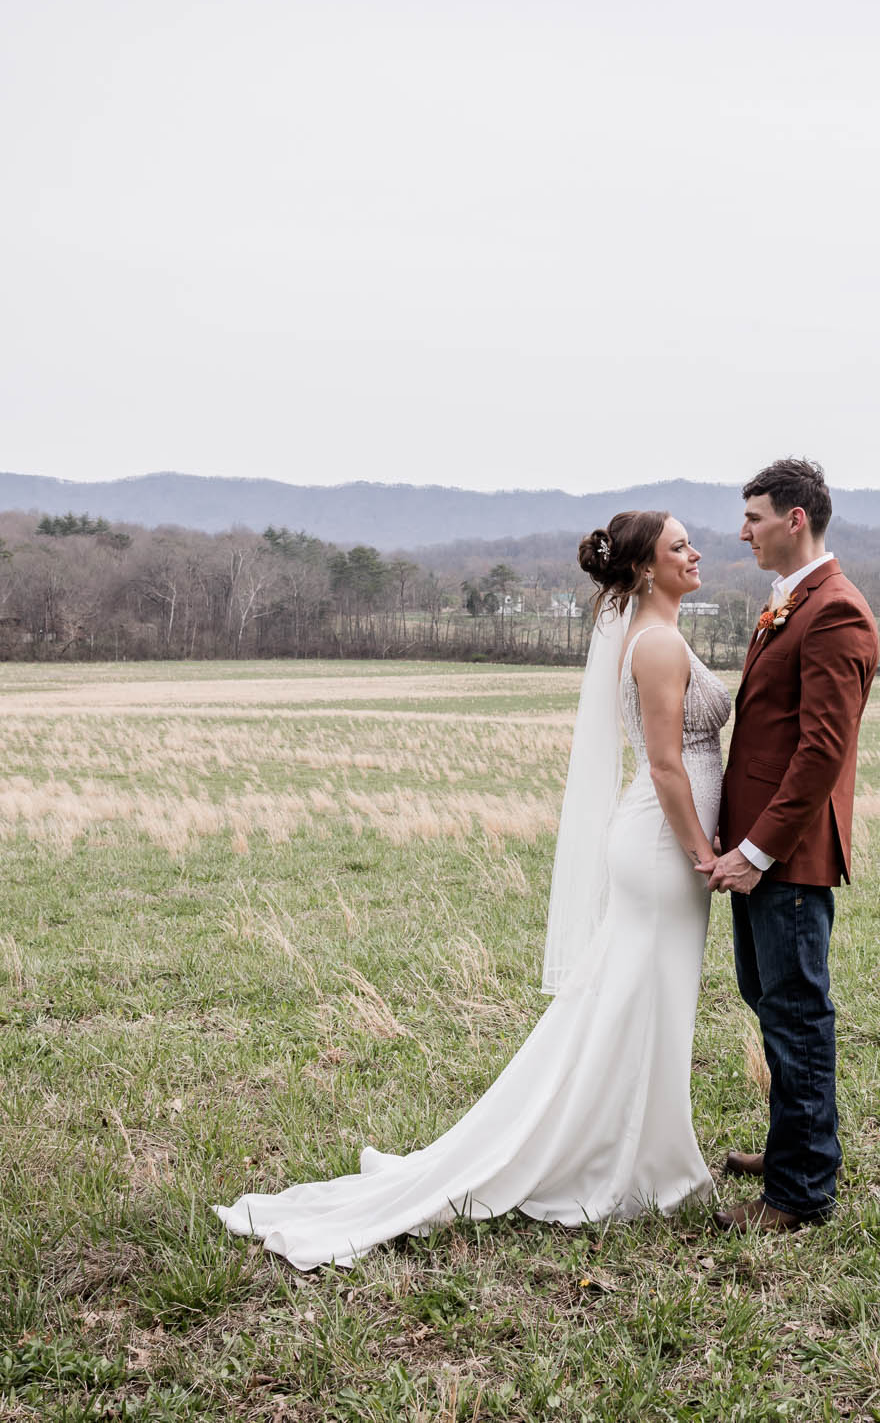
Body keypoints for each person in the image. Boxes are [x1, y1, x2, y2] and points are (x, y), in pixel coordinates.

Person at [214, 510, 729, 1267]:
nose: (696, 553)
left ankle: (642, 1147)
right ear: (648, 568)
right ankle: (628, 1161)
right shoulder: (653, 642)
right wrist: (703, 850)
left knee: (640, 999)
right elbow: (664, 764)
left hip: (665, 844)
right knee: (636, 999)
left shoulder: (656, 634)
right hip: (663, 844)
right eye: (680, 545)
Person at [698, 458, 879, 1233]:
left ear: (795, 519)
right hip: (756, 853)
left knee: (798, 1014)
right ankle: (790, 1148)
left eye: (755, 517)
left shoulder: (836, 611)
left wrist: (758, 850)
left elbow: (820, 752)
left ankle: (801, 1193)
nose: (743, 532)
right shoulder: (787, 604)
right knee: (769, 1002)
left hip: (789, 859)